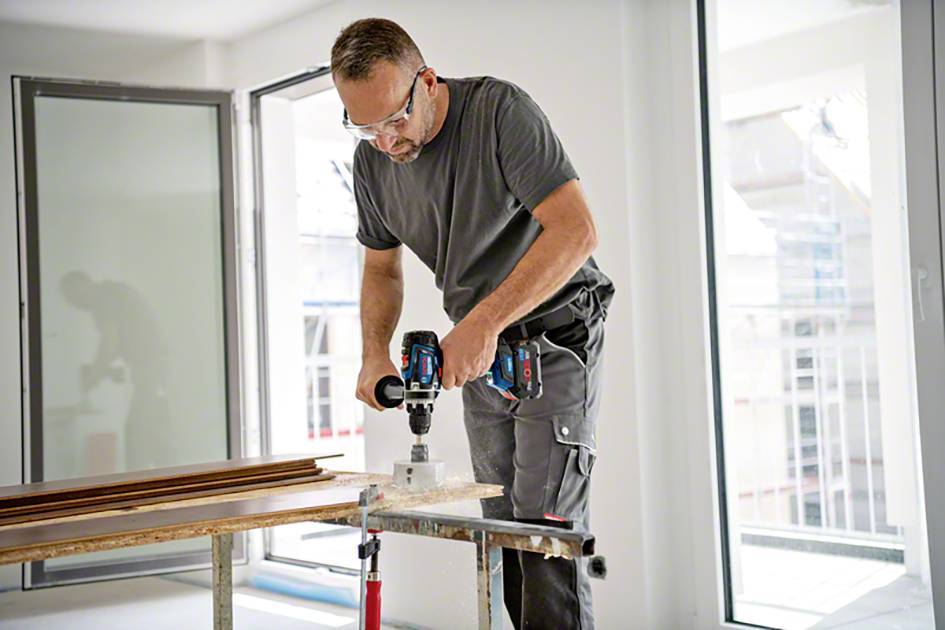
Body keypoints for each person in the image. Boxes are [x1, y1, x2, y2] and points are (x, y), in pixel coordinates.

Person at [332, 18, 614, 629]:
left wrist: (483, 323)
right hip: (481, 349)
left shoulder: (498, 112)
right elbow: (381, 269)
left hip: (556, 332)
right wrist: (373, 352)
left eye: (394, 119)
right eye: (364, 125)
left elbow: (577, 230)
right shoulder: (372, 163)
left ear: (427, 82)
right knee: (502, 533)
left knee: (544, 537)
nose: (384, 140)